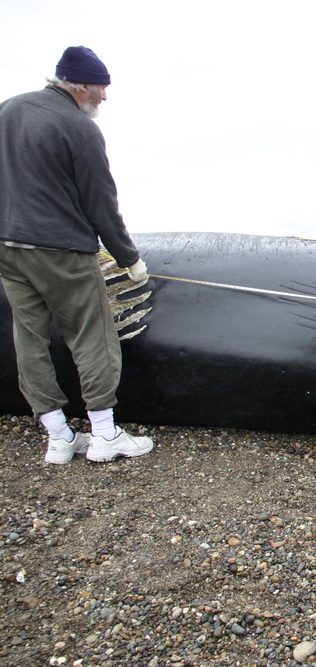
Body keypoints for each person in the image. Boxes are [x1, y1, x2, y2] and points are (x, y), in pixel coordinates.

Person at [0, 46, 154, 464]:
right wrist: (128, 258)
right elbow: (101, 202)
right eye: (101, 88)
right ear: (81, 84)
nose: (104, 97)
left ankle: (58, 437)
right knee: (92, 334)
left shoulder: (7, 111)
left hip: (8, 248)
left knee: (28, 338)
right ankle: (104, 435)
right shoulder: (78, 127)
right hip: (62, 250)